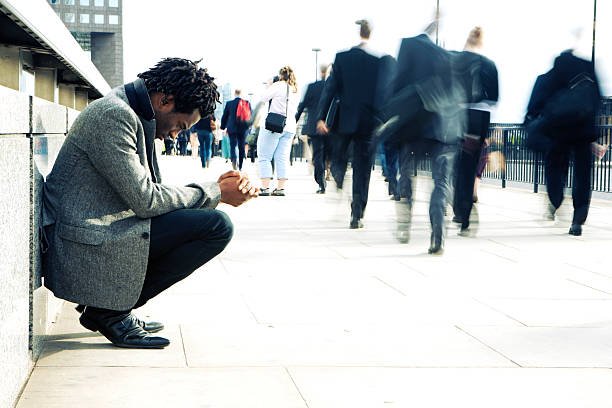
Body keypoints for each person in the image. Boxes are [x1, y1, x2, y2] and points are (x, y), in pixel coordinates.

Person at [41, 58, 258, 349]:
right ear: (165, 100)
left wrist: (217, 190)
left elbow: (150, 196)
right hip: (78, 250)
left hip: (93, 235)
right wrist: (215, 191)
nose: (175, 135)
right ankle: (108, 310)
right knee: (215, 226)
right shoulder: (113, 116)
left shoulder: (133, 113)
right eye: (180, 126)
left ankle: (111, 306)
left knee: (203, 222)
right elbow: (147, 199)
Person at [379, 18, 463, 253]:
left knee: (406, 172)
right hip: (443, 130)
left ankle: (404, 220)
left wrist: (389, 115)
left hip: (414, 127)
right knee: (440, 182)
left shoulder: (408, 47)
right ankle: (438, 236)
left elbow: (396, 84)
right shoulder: (448, 57)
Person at [316, 19, 395, 228]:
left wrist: (321, 117)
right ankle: (357, 214)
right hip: (370, 122)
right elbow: (386, 93)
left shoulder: (342, 58)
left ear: (358, 32)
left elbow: (330, 88)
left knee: (337, 156)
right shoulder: (380, 61)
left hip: (345, 119)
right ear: (371, 34)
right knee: (363, 168)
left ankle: (339, 176)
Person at [527, 49, 601, 236]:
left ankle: (556, 198)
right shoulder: (588, 73)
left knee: (555, 169)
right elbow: (597, 101)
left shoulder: (548, 78)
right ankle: (578, 218)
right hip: (583, 132)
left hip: (557, 133)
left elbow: (534, 107)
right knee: (583, 175)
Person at [451, 26, 499, 236]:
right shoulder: (489, 65)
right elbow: (494, 97)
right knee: (470, 166)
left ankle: (458, 209)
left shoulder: (454, 60)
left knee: (456, 164)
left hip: (456, 116)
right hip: (479, 118)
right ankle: (465, 215)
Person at [257, 66, 300, 196]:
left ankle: (265, 187)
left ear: (280, 75)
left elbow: (263, 99)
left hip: (274, 125)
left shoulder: (278, 85)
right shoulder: (295, 89)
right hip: (290, 126)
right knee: (282, 157)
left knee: (264, 156)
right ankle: (281, 188)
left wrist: (269, 85)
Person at [296, 64, 330, 194]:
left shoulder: (312, 87)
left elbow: (302, 106)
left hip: (314, 126)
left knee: (318, 155)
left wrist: (295, 120)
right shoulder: (332, 86)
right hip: (330, 126)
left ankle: (321, 183)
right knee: (329, 153)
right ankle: (330, 174)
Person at [221, 89, 251, 170]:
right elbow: (250, 116)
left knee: (233, 146)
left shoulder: (229, 103)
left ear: (235, 94)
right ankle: (240, 165)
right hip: (243, 128)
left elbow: (225, 116)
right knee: (241, 146)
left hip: (232, 128)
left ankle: (234, 162)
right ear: (242, 94)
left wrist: (223, 127)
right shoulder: (247, 103)